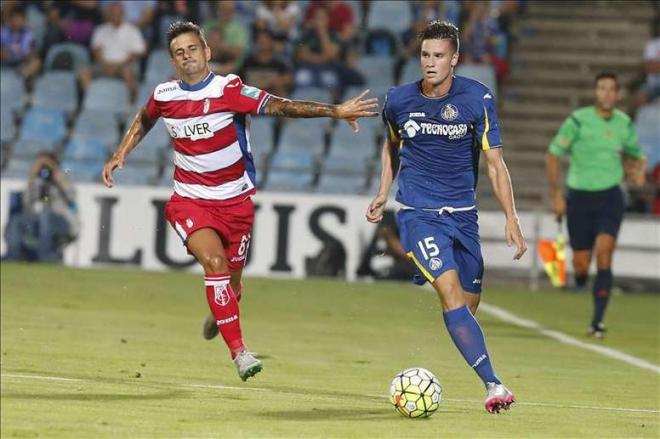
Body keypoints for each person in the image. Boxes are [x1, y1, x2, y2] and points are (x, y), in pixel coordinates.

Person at [101, 21, 378, 382]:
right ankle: (240, 353)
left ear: (207, 52)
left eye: (193, 49)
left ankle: (223, 310)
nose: (187, 57)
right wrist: (120, 153)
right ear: (173, 61)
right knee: (214, 264)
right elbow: (144, 117)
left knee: (231, 284)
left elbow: (281, 105)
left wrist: (335, 111)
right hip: (190, 200)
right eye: (179, 53)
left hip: (236, 204)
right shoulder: (165, 95)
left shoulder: (228, 89)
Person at [365, 21, 527, 414]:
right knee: (451, 293)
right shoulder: (399, 100)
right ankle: (493, 384)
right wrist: (385, 192)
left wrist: (512, 218)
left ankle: (464, 349)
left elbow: (494, 164)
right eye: (425, 55)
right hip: (419, 214)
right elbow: (392, 146)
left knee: (466, 305)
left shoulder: (477, 98)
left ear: (454, 58)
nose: (430, 63)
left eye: (439, 56)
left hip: (464, 217)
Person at [545, 72, 647, 339]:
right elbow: (554, 154)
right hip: (579, 197)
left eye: (612, 89)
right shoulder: (578, 120)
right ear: (596, 93)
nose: (607, 94)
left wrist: (637, 171)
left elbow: (637, 156)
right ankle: (579, 277)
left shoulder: (625, 124)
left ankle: (597, 322)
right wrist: (556, 194)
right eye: (602, 88)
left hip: (610, 198)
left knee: (605, 252)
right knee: (581, 263)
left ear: (618, 95)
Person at [3, 152, 79, 262]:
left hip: (62, 222)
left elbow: (72, 197)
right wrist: (33, 176)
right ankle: (12, 255)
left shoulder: (63, 177)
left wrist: (58, 177)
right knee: (16, 220)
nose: (45, 169)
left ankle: (44, 257)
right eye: (42, 165)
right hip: (37, 220)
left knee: (46, 217)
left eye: (47, 165)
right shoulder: (37, 181)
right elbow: (26, 202)